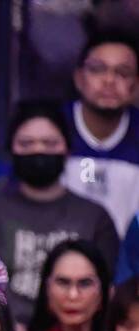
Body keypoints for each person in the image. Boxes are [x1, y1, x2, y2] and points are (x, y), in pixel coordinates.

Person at [0, 100, 118, 325]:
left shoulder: (95, 217)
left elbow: (110, 291)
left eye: (50, 143)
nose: (38, 150)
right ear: (11, 149)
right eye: (26, 143)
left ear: (67, 148)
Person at [64, 31, 139, 237]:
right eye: (98, 70)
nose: (109, 80)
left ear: (136, 85)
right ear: (79, 78)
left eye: (123, 72)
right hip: (60, 262)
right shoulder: (53, 129)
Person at [25, 239, 111, 331]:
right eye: (63, 283)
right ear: (46, 289)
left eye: (85, 283)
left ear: (103, 292)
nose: (73, 295)